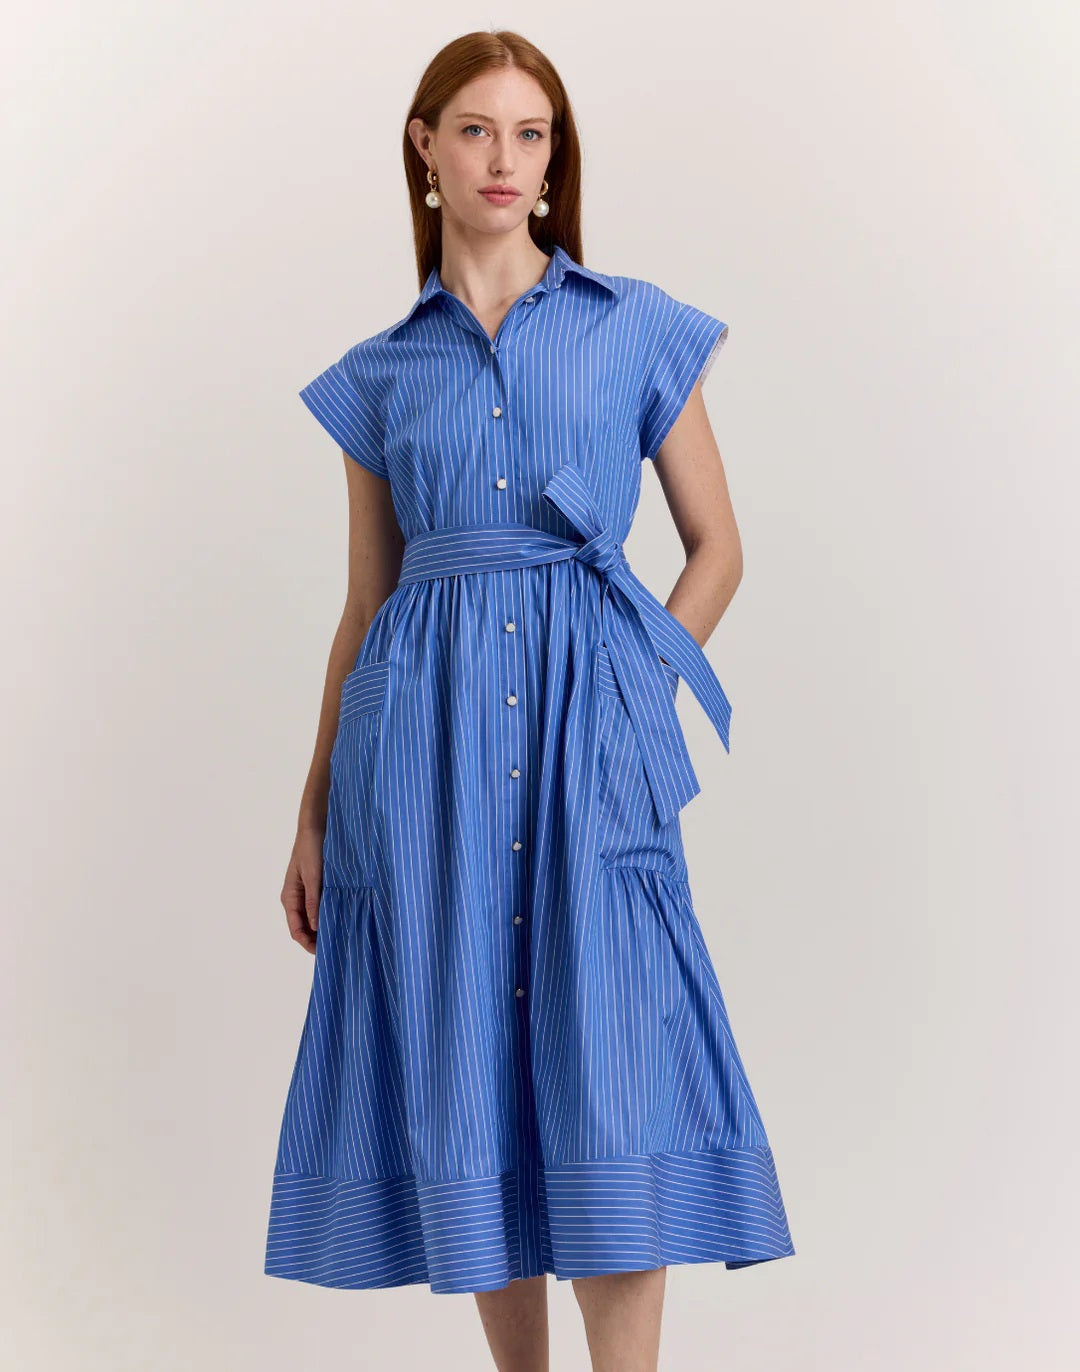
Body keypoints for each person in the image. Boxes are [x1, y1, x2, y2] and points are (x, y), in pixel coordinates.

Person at [264, 28, 795, 1371]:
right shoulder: (383, 374)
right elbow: (367, 603)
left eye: (534, 134)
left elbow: (717, 545)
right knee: (475, 1077)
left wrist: (627, 686)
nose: (507, 160)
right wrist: (318, 807)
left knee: (610, 1064)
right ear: (425, 148)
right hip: (423, 761)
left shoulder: (632, 328)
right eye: (479, 130)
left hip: (588, 742)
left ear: (558, 166)